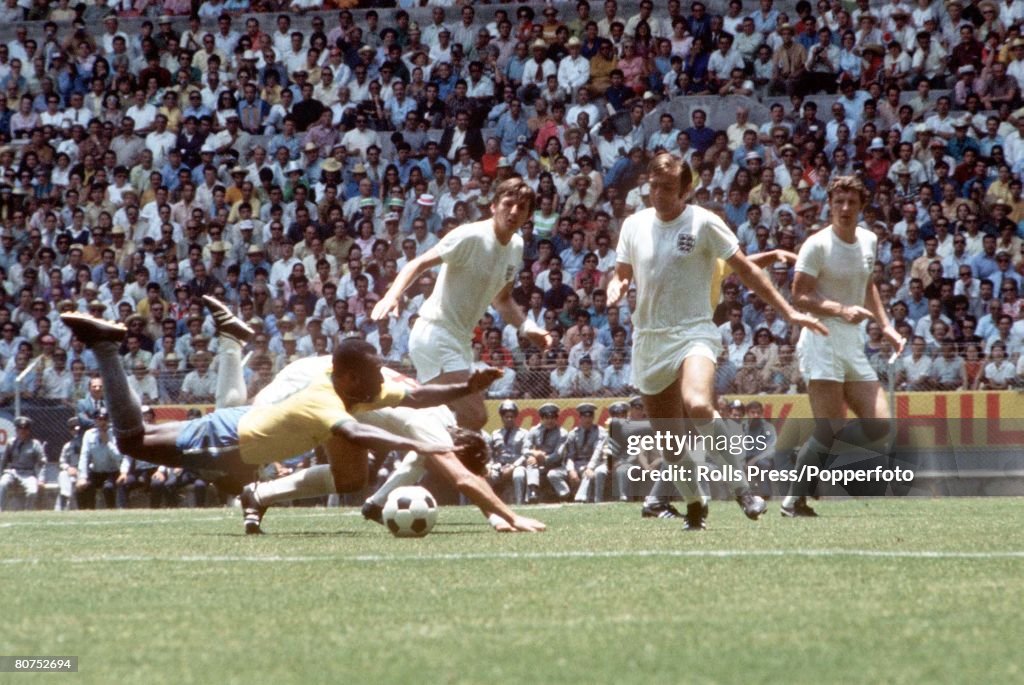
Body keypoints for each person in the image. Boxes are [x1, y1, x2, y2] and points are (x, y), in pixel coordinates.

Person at [59, 305, 498, 501]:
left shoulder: (354, 388)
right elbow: (356, 432)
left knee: (147, 439)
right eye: (372, 374)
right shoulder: (328, 402)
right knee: (134, 441)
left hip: (241, 423)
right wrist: (418, 447)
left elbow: (419, 394)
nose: (380, 380)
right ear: (349, 378)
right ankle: (107, 347)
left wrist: (466, 386)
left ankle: (227, 340)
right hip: (234, 440)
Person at [606, 152, 827, 530]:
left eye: (668, 189)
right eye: (653, 187)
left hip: (694, 332)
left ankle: (743, 488)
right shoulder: (634, 225)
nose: (658, 195)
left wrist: (789, 311)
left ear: (686, 190)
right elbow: (621, 273)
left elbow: (747, 270)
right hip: (649, 340)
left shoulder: (705, 223)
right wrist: (616, 286)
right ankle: (695, 504)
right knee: (672, 447)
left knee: (698, 405)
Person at [233, 354, 546, 534]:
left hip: (330, 382)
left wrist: (491, 516)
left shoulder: (442, 420)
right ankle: (230, 349)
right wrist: (510, 516)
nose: (446, 469)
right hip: (312, 380)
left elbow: (417, 462)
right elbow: (464, 478)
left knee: (351, 478)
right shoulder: (431, 428)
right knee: (235, 432)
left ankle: (258, 495)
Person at [372, 177, 552, 430]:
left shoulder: (516, 246)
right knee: (475, 416)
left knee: (444, 421)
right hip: (435, 334)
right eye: (508, 203)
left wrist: (527, 327)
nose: (513, 212)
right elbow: (418, 263)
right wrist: (392, 295)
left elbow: (501, 299)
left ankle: (401, 438)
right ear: (493, 206)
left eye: (521, 208)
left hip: (460, 343)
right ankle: (392, 412)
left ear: (528, 216)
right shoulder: (470, 236)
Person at [782, 175, 906, 517]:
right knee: (829, 427)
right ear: (830, 205)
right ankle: (795, 499)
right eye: (839, 202)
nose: (845, 208)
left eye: (852, 202)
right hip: (821, 337)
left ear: (862, 206)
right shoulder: (816, 245)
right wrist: (840, 309)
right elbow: (799, 295)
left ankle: (810, 456)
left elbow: (868, 285)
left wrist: (886, 326)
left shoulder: (869, 240)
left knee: (880, 424)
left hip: (854, 341)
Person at [0, 417, 47, 511]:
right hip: (12, 472)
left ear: (29, 431)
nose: (22, 432)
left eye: (25, 429)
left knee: (33, 491)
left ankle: (27, 512)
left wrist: (41, 479)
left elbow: (42, 463)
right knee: (2, 484)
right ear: (16, 430)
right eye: (20, 429)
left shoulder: (35, 444)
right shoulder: (11, 442)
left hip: (28, 473)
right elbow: (4, 460)